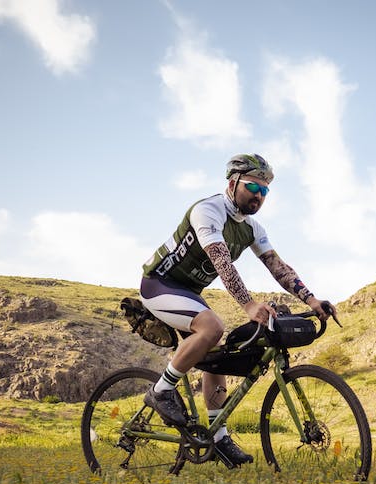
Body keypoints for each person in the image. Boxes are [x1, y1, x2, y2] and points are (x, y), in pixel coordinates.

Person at [139, 153, 333, 468]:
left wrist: (310, 299)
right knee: (213, 327)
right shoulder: (208, 211)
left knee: (216, 355)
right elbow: (220, 260)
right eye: (253, 188)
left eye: (265, 191)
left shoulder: (253, 229)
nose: (259, 196)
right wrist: (249, 304)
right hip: (159, 284)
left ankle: (217, 438)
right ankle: (161, 391)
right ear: (233, 183)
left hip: (188, 292)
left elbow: (277, 266)